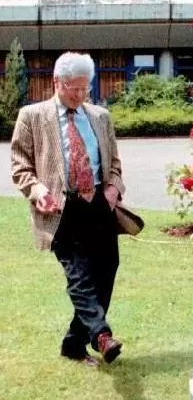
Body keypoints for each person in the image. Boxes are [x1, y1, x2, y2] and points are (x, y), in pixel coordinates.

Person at [10, 52, 126, 367]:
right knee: (79, 274)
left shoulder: (100, 116)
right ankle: (102, 335)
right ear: (56, 82)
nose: (80, 94)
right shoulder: (32, 116)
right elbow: (20, 165)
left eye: (84, 88)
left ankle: (73, 345)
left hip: (99, 205)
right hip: (60, 209)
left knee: (105, 271)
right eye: (73, 88)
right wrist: (36, 189)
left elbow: (113, 163)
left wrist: (114, 187)